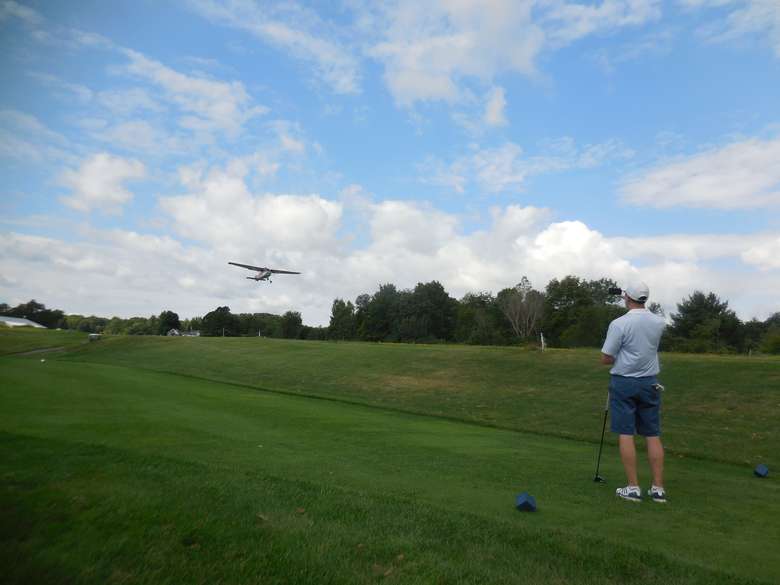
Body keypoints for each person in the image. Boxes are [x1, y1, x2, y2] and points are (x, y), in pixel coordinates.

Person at [600, 281, 667, 503]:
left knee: (626, 433)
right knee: (652, 434)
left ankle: (633, 487)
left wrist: (622, 357)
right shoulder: (658, 322)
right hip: (650, 383)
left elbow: (606, 358)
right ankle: (658, 489)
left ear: (627, 297)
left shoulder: (619, 324)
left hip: (624, 383)